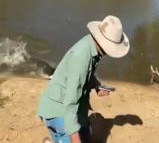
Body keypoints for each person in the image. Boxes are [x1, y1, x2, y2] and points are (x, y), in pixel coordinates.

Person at [38, 15, 130, 143]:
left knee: (86, 137)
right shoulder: (81, 56)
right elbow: (70, 104)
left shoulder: (92, 46)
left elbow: (86, 73)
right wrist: (75, 140)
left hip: (76, 105)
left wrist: (96, 86)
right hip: (59, 109)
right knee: (75, 138)